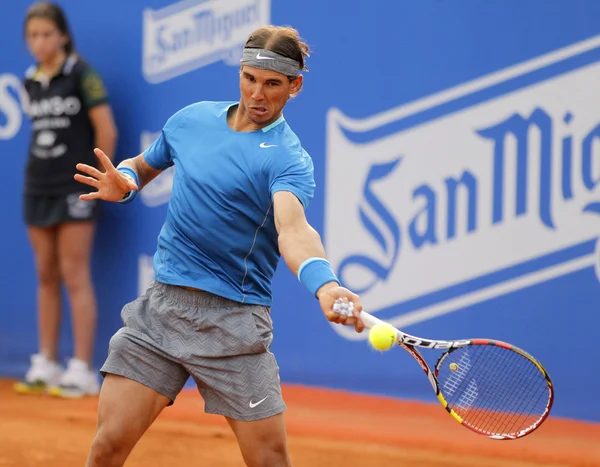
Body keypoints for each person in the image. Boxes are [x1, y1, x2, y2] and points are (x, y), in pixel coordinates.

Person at [75, 25, 363, 467]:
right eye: (250, 78)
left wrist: (325, 286)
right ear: (240, 72)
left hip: (234, 325)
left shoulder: (287, 158)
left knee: (270, 461)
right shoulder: (192, 121)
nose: (258, 95)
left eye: (272, 85)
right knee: (106, 447)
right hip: (162, 312)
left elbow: (294, 230)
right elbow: (142, 166)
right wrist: (126, 182)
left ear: (295, 86)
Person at [15, 2, 118, 398]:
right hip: (37, 185)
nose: (38, 43)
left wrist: (101, 180)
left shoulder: (82, 74)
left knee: (74, 273)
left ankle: (81, 368)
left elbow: (105, 129)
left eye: (45, 34)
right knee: (45, 274)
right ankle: (46, 362)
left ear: (62, 35)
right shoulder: (30, 79)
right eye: (32, 36)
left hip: (76, 186)